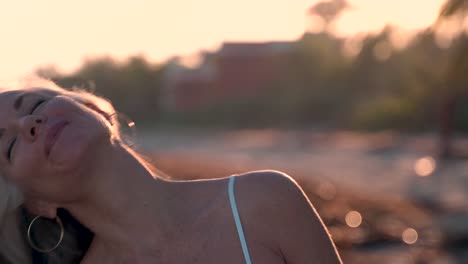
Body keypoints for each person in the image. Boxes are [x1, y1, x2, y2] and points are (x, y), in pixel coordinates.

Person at [0, 78, 342, 263]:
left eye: (34, 103)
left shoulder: (265, 201)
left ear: (92, 108)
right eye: (10, 146)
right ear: (37, 203)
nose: (30, 122)